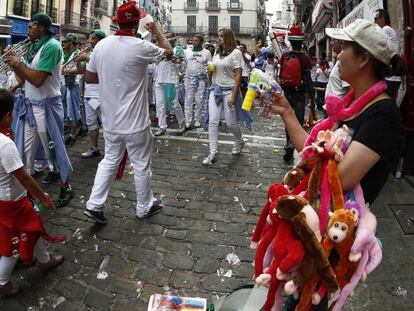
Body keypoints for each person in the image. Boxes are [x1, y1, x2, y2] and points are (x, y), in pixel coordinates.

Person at [269, 19, 404, 310]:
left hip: (333, 241)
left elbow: (338, 178)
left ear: (364, 58)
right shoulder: (350, 105)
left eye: (344, 48)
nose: (337, 53)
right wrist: (288, 113)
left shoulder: (383, 115)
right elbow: (311, 152)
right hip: (311, 227)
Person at [83, 1, 170, 223]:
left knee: (109, 160)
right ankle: (143, 207)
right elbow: (168, 53)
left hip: (111, 120)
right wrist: (156, 31)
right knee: (140, 164)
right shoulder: (141, 47)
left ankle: (94, 204)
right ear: (136, 22)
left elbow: (90, 78)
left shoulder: (101, 45)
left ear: (117, 21)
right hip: (136, 123)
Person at [5, 13, 74, 208]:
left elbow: (37, 79)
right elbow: (24, 79)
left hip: (46, 107)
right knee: (24, 151)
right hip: (30, 106)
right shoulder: (34, 47)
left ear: (40, 28)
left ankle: (65, 186)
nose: (27, 31)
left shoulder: (52, 46)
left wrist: (19, 64)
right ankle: (24, 194)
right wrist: (15, 64)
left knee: (54, 150)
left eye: (30, 27)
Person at [0, 89, 64, 296]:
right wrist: (42, 196)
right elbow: (23, 176)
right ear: (9, 116)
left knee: (32, 228)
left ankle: (44, 260)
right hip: (12, 202)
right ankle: (2, 281)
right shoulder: (5, 145)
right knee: (11, 246)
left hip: (6, 198)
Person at [202, 28, 251, 166]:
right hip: (216, 90)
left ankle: (240, 140)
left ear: (229, 37)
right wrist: (210, 80)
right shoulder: (218, 52)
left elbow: (238, 75)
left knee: (230, 123)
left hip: (229, 91)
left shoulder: (236, 53)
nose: (219, 38)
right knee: (213, 120)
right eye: (218, 36)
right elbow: (213, 68)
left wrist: (234, 95)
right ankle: (213, 152)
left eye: (222, 36)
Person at [279, 25, 314, 162]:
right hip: (300, 94)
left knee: (288, 119)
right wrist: (311, 98)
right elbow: (309, 81)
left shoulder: (284, 56)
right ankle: (293, 144)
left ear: (291, 42)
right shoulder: (305, 59)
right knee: (298, 122)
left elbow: (280, 74)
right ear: (301, 42)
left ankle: (288, 143)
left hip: (287, 93)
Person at [73, 29, 106, 158]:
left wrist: (86, 58)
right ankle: (94, 148)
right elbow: (81, 70)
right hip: (88, 93)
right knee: (91, 122)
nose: (90, 41)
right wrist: (77, 60)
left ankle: (112, 150)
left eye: (93, 38)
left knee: (106, 122)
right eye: (90, 38)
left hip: (100, 93)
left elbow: (103, 67)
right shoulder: (90, 53)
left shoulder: (104, 53)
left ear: (100, 40)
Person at [153, 32, 186, 136]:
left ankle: (182, 122)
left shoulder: (178, 49)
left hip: (171, 80)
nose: (166, 40)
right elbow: (154, 60)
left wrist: (173, 58)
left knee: (174, 104)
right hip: (159, 80)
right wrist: (162, 56)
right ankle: (162, 127)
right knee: (160, 104)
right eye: (164, 38)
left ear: (173, 39)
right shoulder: (158, 49)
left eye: (168, 38)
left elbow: (182, 64)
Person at [183, 34, 211, 129]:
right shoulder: (186, 52)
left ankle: (198, 120)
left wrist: (208, 79)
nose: (194, 42)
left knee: (199, 100)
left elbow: (209, 66)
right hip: (189, 79)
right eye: (193, 40)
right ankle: (188, 121)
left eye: (196, 40)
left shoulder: (207, 53)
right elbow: (184, 64)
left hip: (201, 80)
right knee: (188, 99)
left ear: (201, 42)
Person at [374, 8, 402, 98]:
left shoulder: (386, 29)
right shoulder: (389, 30)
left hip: (391, 78)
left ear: (382, 19)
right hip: (391, 77)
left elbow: (374, 43)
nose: (374, 22)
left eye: (375, 19)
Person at [61, 33, 82, 147]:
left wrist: (66, 71)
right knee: (68, 110)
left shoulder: (76, 53)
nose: (64, 43)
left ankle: (73, 135)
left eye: (66, 41)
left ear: (70, 42)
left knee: (73, 110)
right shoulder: (67, 54)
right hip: (66, 84)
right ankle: (71, 131)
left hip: (73, 84)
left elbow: (80, 70)